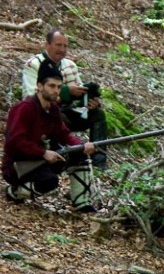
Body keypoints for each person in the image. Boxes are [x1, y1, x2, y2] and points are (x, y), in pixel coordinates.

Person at [2, 63, 98, 211]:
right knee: (49, 182)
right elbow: (15, 141)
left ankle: (82, 202)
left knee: (79, 154)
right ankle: (14, 192)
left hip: (41, 159)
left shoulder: (53, 109)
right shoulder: (25, 108)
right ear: (40, 86)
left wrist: (81, 146)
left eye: (59, 87)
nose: (56, 90)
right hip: (19, 164)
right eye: (51, 86)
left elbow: (63, 134)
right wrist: (43, 153)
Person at [20, 29, 108, 169]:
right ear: (47, 45)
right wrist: (67, 92)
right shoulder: (34, 64)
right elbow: (33, 96)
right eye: (58, 45)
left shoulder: (70, 65)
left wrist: (89, 101)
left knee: (97, 115)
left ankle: (98, 161)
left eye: (65, 46)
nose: (62, 49)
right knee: (59, 117)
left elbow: (78, 96)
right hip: (41, 114)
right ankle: (64, 158)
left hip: (66, 111)